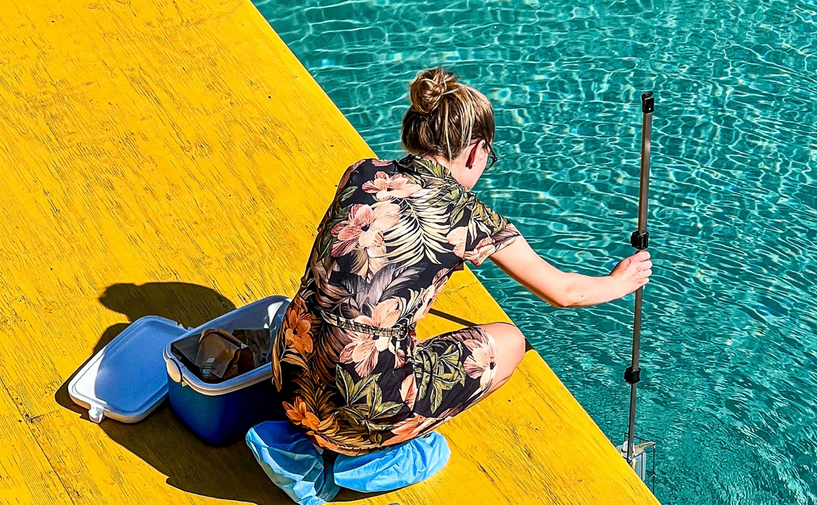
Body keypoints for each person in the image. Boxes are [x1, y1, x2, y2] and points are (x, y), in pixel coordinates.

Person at [272, 67, 653, 456]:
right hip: (354, 418)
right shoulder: (468, 218)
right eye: (490, 155)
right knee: (511, 343)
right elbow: (564, 292)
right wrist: (620, 281)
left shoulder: (362, 172)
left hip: (290, 379)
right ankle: (372, 455)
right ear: (476, 150)